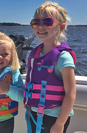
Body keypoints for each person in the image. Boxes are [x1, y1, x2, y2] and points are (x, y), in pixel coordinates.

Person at [24, 1, 77, 133]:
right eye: (36, 22)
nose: (40, 27)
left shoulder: (63, 57)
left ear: (62, 27)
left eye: (47, 22)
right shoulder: (34, 54)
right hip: (33, 113)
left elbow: (71, 94)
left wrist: (60, 123)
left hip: (54, 117)